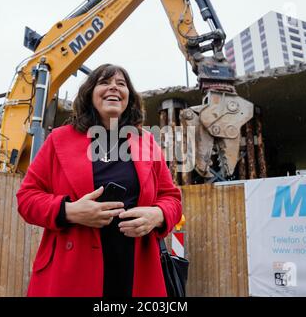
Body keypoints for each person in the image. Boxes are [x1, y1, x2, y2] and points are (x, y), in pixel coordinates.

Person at [16, 63, 182, 297]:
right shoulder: (58, 140)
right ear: (90, 94)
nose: (113, 87)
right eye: (104, 82)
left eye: (121, 84)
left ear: (129, 97)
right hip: (71, 273)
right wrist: (70, 211)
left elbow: (171, 198)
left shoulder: (146, 143)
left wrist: (158, 215)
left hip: (136, 272)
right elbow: (26, 199)